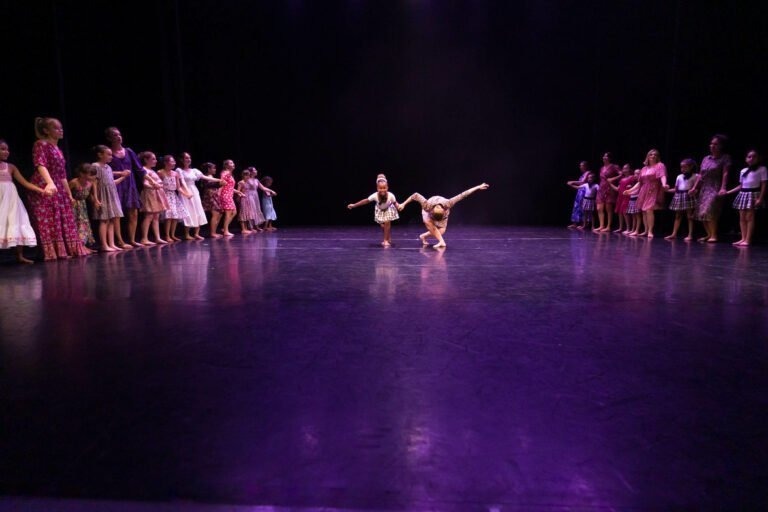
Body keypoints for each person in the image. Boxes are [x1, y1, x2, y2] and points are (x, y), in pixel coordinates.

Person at [27, 117, 89, 260]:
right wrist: (49, 183)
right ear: (46, 131)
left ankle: (66, 249)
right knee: (48, 219)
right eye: (56, 128)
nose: (60, 130)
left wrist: (69, 195)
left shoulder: (57, 148)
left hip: (59, 187)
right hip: (44, 185)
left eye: (61, 127)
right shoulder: (40, 144)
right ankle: (51, 252)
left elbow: (62, 174)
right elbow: (40, 164)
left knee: (63, 218)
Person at [398, 182, 490, 248]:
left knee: (441, 231)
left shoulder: (448, 203)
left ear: (444, 209)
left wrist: (478, 187)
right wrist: (403, 204)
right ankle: (442, 242)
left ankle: (423, 236)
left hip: (443, 213)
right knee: (428, 222)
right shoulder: (427, 206)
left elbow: (463, 195)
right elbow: (415, 195)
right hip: (428, 212)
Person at [0, 139, 42, 263]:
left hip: (11, 200)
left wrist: (41, 190)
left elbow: (24, 183)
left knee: (18, 221)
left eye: (7, 149)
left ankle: (19, 256)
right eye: (2, 149)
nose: (6, 152)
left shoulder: (11, 167)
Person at [105, 126, 143, 247]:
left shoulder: (129, 151)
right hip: (116, 185)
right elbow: (104, 169)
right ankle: (120, 241)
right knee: (116, 215)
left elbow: (139, 169)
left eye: (119, 134)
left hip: (130, 185)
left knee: (134, 213)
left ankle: (131, 239)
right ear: (109, 138)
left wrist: (151, 181)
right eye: (115, 135)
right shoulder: (109, 152)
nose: (118, 137)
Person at [720, 149, 767, 247]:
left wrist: (760, 198)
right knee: (742, 218)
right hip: (743, 194)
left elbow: (764, 184)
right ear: (746, 159)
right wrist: (727, 192)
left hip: (753, 194)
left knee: (749, 217)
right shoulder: (743, 171)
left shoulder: (762, 169)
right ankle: (743, 238)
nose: (752, 158)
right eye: (749, 157)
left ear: (758, 159)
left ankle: (748, 239)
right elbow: (741, 186)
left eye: (754, 157)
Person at [691, 134, 731, 243]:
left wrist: (723, 187)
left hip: (715, 187)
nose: (712, 146)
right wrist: (695, 187)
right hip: (704, 187)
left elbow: (725, 173)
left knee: (710, 210)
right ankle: (709, 234)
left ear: (721, 146)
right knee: (702, 212)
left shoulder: (724, 158)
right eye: (711, 144)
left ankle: (714, 235)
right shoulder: (706, 159)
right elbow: (700, 175)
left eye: (716, 144)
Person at [624, 149, 668, 238]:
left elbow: (663, 176)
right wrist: (630, 191)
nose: (653, 156)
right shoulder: (644, 168)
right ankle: (646, 230)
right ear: (648, 156)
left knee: (649, 209)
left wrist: (664, 184)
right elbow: (640, 182)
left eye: (655, 155)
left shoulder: (660, 165)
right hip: (644, 190)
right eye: (651, 154)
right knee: (644, 211)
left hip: (653, 189)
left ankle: (650, 231)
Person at [91, 145, 127, 252]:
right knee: (104, 220)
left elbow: (112, 183)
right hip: (102, 195)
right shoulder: (95, 166)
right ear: (100, 155)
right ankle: (104, 244)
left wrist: (123, 177)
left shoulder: (108, 167)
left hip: (111, 195)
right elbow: (94, 183)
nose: (111, 156)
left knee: (111, 220)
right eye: (109, 154)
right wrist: (96, 199)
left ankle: (111, 243)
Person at [347, 173, 399, 247]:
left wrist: (398, 206)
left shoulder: (391, 195)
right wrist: (354, 205)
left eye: (384, 188)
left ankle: (385, 240)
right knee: (383, 226)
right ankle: (388, 236)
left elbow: (395, 202)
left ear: (387, 187)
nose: (382, 190)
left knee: (387, 222)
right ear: (377, 188)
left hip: (388, 209)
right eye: (380, 188)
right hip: (379, 210)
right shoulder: (375, 195)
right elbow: (365, 201)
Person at [177, 152, 220, 240]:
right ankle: (187, 234)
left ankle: (196, 233)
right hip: (186, 191)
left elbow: (205, 177)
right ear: (181, 159)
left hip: (194, 190)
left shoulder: (194, 170)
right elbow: (183, 182)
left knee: (197, 210)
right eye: (186, 158)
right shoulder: (179, 170)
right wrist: (187, 192)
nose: (188, 159)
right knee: (188, 211)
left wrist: (219, 179)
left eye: (189, 158)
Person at [138, 152, 169, 245]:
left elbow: (158, 182)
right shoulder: (144, 170)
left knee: (156, 216)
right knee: (149, 216)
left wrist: (159, 185)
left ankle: (157, 237)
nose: (155, 161)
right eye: (153, 159)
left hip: (156, 193)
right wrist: (154, 186)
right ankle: (144, 238)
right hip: (149, 193)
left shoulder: (151, 170)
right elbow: (145, 183)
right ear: (146, 160)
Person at [157, 155, 191, 242]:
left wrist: (186, 194)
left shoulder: (175, 173)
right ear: (165, 163)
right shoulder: (160, 172)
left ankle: (172, 235)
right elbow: (159, 185)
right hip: (165, 195)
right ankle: (167, 235)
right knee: (169, 216)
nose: (174, 163)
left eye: (174, 161)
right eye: (172, 161)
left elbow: (178, 188)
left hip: (173, 196)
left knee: (175, 216)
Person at [664, 159, 699, 241]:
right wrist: (667, 190)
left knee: (689, 216)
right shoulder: (679, 176)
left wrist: (694, 191)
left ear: (691, 167)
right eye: (681, 167)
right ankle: (674, 233)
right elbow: (676, 189)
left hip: (688, 196)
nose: (682, 169)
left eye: (685, 167)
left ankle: (690, 235)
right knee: (678, 216)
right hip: (679, 196)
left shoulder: (695, 176)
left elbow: (697, 188)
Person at [67, 163, 97, 253]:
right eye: (91, 174)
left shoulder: (90, 184)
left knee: (83, 227)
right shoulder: (74, 182)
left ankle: (82, 246)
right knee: (75, 226)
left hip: (82, 208)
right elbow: (65, 192)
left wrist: (95, 201)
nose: (93, 176)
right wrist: (70, 199)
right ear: (82, 174)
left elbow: (89, 195)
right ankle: (75, 248)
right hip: (73, 207)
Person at [209, 159, 242, 238]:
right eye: (231, 163)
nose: (233, 164)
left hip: (229, 195)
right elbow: (221, 183)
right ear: (226, 165)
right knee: (228, 213)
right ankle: (226, 230)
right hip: (225, 195)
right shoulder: (225, 173)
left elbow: (229, 186)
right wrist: (219, 193)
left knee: (234, 212)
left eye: (233, 162)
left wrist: (238, 192)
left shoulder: (230, 174)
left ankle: (225, 228)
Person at [595, 152, 620, 232]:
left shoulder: (614, 166)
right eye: (603, 156)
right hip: (601, 188)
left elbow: (621, 174)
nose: (604, 158)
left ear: (609, 158)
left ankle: (608, 226)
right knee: (599, 208)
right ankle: (601, 225)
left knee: (608, 208)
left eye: (606, 156)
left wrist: (612, 179)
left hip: (609, 188)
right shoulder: (602, 168)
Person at [610, 164, 635, 234]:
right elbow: (618, 189)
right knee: (620, 212)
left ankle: (628, 228)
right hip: (620, 197)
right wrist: (610, 184)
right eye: (623, 168)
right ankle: (620, 228)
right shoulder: (621, 179)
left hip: (627, 197)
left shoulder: (632, 177)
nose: (624, 170)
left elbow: (636, 186)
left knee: (625, 212)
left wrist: (631, 186)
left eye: (626, 168)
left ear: (629, 169)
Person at [567, 161, 590, 228]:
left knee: (583, 207)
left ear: (585, 166)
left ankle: (584, 223)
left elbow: (583, 182)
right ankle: (575, 223)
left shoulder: (588, 173)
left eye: (581, 165)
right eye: (580, 165)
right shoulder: (582, 174)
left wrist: (572, 182)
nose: (580, 167)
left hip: (584, 192)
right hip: (580, 191)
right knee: (577, 206)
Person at [237, 169, 257, 234]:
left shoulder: (248, 182)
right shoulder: (241, 182)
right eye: (246, 175)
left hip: (249, 199)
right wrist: (240, 195)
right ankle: (243, 229)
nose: (248, 177)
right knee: (243, 213)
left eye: (248, 175)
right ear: (243, 175)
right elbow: (238, 191)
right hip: (243, 199)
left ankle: (247, 228)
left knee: (247, 213)